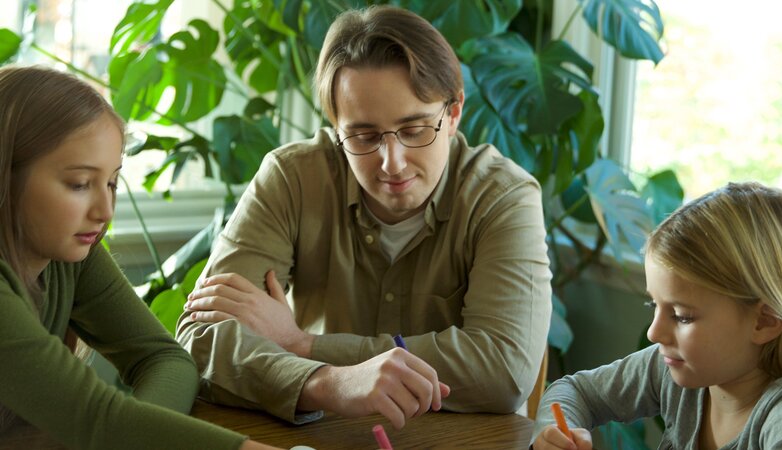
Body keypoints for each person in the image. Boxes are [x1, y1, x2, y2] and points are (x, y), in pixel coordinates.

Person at [178, 4, 552, 430]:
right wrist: (328, 382)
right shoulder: (292, 178)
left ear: (453, 114)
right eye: (363, 135)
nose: (391, 163)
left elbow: (503, 371)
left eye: (414, 130)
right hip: (323, 436)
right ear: (336, 127)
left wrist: (302, 345)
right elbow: (201, 341)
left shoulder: (503, 197)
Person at [0, 65, 280, 450]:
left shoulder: (71, 254)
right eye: (80, 184)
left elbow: (165, 360)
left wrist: (135, 436)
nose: (104, 210)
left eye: (112, 182)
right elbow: (99, 420)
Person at [531, 182, 782, 450]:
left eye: (682, 316)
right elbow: (577, 392)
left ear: (764, 321)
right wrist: (555, 432)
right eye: (653, 305)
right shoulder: (671, 368)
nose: (653, 333)